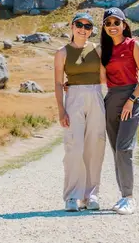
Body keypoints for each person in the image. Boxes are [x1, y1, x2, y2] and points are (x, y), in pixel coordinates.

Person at [54, 12, 107, 212]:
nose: (83, 29)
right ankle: (71, 197)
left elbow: (104, 78)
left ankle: (91, 195)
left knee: (95, 147)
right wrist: (61, 109)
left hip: (95, 95)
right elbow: (58, 83)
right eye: (79, 24)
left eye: (87, 26)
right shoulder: (62, 53)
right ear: (72, 26)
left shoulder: (98, 50)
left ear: (91, 30)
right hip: (73, 99)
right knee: (73, 148)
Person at [100, 7, 139, 215]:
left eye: (116, 22)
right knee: (115, 149)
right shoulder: (104, 51)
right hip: (111, 99)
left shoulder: (133, 45)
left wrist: (131, 100)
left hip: (131, 98)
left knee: (124, 148)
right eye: (108, 23)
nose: (112, 26)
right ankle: (122, 196)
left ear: (124, 25)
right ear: (104, 27)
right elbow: (102, 80)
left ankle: (129, 198)